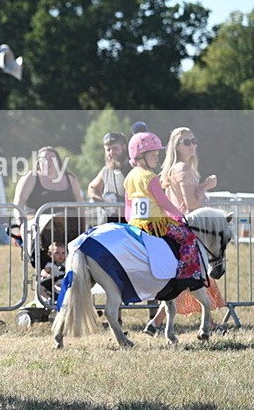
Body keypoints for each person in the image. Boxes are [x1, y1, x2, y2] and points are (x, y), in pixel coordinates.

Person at [144, 127, 223, 335]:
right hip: (189, 230)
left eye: (194, 141)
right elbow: (192, 204)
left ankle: (156, 324)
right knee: (192, 280)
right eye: (187, 142)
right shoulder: (183, 170)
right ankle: (161, 323)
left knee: (189, 280)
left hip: (178, 228)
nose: (192, 145)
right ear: (176, 146)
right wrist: (207, 185)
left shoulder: (175, 169)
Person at [123, 132, 205, 313]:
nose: (156, 158)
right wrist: (180, 217)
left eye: (157, 155)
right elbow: (164, 203)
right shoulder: (151, 177)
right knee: (188, 237)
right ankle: (187, 275)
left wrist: (131, 223)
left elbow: (128, 206)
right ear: (141, 156)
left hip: (136, 224)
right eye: (153, 155)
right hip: (156, 224)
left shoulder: (129, 177)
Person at [13, 146, 83, 266]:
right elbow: (18, 203)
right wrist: (21, 224)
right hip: (39, 227)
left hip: (67, 227)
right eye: (43, 158)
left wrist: (83, 228)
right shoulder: (31, 177)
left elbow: (80, 205)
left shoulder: (69, 178)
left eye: (51, 158)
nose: (48, 161)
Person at [87, 132, 130, 223]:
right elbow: (92, 188)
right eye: (108, 149)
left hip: (127, 225)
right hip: (107, 224)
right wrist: (104, 203)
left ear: (124, 147)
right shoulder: (105, 171)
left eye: (115, 148)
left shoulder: (133, 170)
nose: (111, 152)